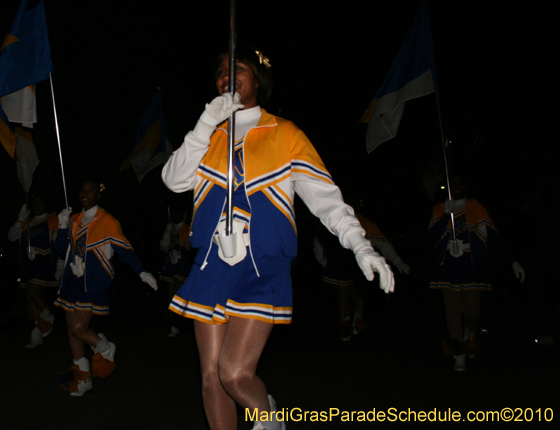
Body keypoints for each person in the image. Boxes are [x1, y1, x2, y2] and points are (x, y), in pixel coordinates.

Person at [161, 47, 394, 430]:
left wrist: (360, 244)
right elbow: (173, 181)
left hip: (262, 268)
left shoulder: (285, 133)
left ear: (259, 80)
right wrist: (205, 123)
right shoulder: (209, 135)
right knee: (211, 378)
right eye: (221, 71)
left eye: (237, 69)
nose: (227, 76)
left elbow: (326, 200)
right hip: (211, 266)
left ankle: (269, 418)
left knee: (234, 374)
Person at [52, 180, 158, 396]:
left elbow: (125, 250)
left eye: (90, 190)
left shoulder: (108, 220)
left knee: (78, 329)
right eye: (82, 189)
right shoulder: (74, 219)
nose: (85, 193)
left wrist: (142, 272)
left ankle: (105, 347)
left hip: (94, 281)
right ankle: (83, 379)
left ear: (98, 196)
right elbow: (62, 249)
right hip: (73, 280)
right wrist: (62, 226)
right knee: (71, 330)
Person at [429, 175, 525, 372]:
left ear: (466, 186)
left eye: (460, 183)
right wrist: (446, 215)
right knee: (453, 312)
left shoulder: (477, 208)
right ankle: (458, 354)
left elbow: (493, 237)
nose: (457, 187)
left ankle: (469, 334)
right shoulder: (440, 208)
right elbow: (432, 235)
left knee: (472, 312)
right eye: (453, 184)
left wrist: (513, 261)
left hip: (471, 267)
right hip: (449, 267)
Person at [314, 200, 410, 340]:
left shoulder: (365, 223)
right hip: (339, 263)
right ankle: (345, 326)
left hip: (360, 265)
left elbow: (383, 244)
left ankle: (357, 320)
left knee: (359, 294)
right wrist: (323, 260)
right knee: (342, 294)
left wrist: (398, 261)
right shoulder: (333, 216)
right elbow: (319, 241)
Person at [7, 193, 59, 348]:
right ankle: (36, 333)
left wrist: (61, 263)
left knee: (32, 290)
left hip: (45, 261)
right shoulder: (27, 222)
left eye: (40, 202)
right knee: (30, 298)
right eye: (34, 203)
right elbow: (11, 237)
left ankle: (47, 316)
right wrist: (20, 220)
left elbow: (60, 241)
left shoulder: (52, 219)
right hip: (30, 263)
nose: (37, 206)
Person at [158, 206, 193, 337]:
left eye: (177, 213)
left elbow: (191, 247)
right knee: (170, 297)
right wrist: (167, 234)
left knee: (177, 295)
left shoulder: (187, 228)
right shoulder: (169, 228)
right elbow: (163, 247)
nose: (174, 216)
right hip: (170, 265)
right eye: (173, 213)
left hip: (183, 266)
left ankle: (177, 322)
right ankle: (174, 323)